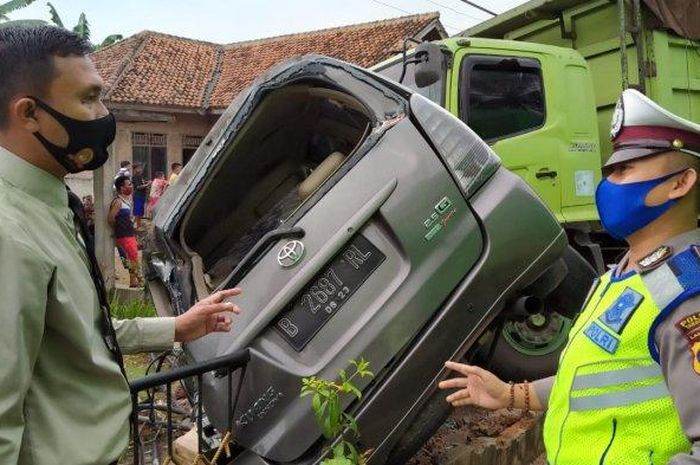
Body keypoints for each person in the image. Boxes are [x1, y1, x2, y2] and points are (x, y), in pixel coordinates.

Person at [0, 25, 242, 465]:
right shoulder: (7, 231)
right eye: (88, 99)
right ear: (29, 113)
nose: (103, 114)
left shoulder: (49, 203)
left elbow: (82, 334)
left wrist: (177, 327)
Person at [439, 89, 700, 464]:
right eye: (610, 170)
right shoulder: (619, 275)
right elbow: (592, 381)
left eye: (626, 169)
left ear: (680, 183)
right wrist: (510, 395)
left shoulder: (686, 296)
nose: (609, 184)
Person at [109, 175, 142, 287]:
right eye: (128, 185)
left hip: (129, 233)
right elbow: (111, 218)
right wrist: (119, 229)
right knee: (132, 257)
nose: (131, 186)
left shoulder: (126, 201)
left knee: (132, 257)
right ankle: (139, 279)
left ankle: (134, 281)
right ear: (121, 188)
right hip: (124, 235)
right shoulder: (118, 202)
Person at [130, 162, 150, 229]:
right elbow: (138, 187)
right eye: (139, 168)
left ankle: (138, 225)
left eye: (141, 168)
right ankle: (137, 226)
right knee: (137, 212)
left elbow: (142, 183)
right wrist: (147, 185)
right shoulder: (135, 177)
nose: (141, 169)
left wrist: (146, 183)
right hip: (138, 195)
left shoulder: (140, 176)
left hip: (142, 195)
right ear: (135, 169)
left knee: (140, 211)